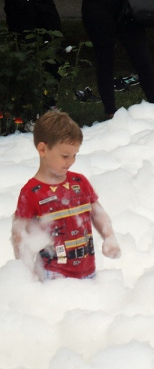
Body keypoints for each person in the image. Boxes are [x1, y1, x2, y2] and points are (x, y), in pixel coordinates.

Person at [11, 110, 121, 280]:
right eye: (65, 156)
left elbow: (97, 212)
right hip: (54, 275)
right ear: (43, 149)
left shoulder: (80, 182)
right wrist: (27, 272)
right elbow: (19, 235)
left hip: (88, 269)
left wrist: (109, 237)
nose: (71, 161)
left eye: (74, 155)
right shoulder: (31, 192)